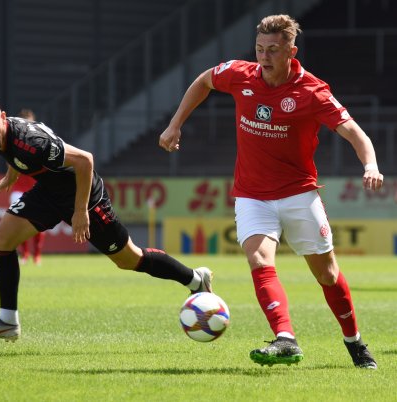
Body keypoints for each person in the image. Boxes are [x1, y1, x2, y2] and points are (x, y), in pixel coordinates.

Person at [159, 14, 383, 369]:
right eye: (260, 49)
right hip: (252, 195)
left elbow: (355, 133)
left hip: (299, 195)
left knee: (326, 274)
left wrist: (369, 164)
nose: (264, 57)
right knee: (259, 260)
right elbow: (204, 81)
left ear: (291, 51)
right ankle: (285, 338)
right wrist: (175, 124)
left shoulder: (312, 91)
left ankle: (354, 342)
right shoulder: (240, 74)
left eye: (273, 50)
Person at [0, 96, 213, 341]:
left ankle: (195, 279)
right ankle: (7, 321)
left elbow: (85, 161)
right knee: (0, 240)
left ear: (3, 119)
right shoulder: (2, 135)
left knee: (129, 259)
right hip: (49, 192)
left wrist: (80, 211)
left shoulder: (32, 141)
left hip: (85, 197)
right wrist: (12, 174)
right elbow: (14, 151)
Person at [11, 108, 46, 266]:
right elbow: (11, 164)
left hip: (36, 188)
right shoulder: (15, 141)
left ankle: (37, 254)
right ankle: (25, 253)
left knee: (38, 222)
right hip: (18, 189)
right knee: (20, 222)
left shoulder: (41, 139)